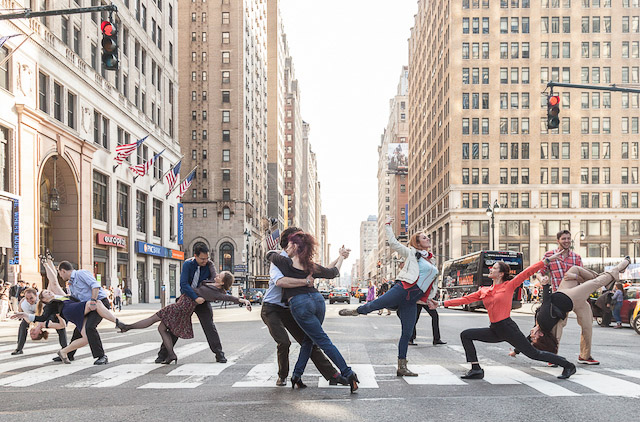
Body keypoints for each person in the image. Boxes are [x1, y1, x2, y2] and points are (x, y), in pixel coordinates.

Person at [441, 251, 577, 380]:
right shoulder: (485, 290)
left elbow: (527, 272)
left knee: (534, 354)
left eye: (494, 268)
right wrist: (442, 303)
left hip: (508, 328)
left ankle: (568, 366)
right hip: (495, 329)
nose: (490, 269)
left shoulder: (509, 286)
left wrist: (547, 261)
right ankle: (476, 369)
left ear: (501, 274)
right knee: (466, 335)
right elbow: (465, 299)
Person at [339, 216, 438, 377]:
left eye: (427, 237)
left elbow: (431, 282)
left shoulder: (431, 259)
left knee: (407, 333)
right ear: (418, 243)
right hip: (402, 289)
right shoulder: (412, 253)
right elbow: (393, 243)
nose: (428, 239)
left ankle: (402, 366)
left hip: (413, 300)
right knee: (375, 304)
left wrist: (428, 299)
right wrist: (387, 225)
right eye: (424, 237)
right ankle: (357, 311)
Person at [266, 232, 359, 393]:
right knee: (309, 340)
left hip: (301, 304)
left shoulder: (284, 262)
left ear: (295, 246)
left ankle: (348, 373)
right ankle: (297, 375)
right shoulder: (310, 266)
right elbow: (332, 272)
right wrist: (341, 257)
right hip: (317, 301)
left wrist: (279, 251)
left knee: (322, 341)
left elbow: (269, 254)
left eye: (291, 244)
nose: (288, 247)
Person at [120, 271, 250, 364]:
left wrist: (243, 301)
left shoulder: (216, 293)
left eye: (219, 276)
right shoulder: (210, 282)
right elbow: (209, 271)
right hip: (182, 304)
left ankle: (127, 327)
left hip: (182, 307)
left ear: (222, 282)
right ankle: (170, 354)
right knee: (162, 328)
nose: (216, 275)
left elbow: (229, 298)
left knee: (154, 319)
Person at [155, 244, 228, 364]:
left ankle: (219, 353)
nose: (205, 261)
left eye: (207, 258)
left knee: (209, 326)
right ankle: (163, 354)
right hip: (187, 299)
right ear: (195, 256)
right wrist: (195, 297)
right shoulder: (188, 264)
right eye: (202, 259)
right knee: (175, 326)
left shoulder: (209, 265)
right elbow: (184, 284)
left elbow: (213, 280)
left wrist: (204, 292)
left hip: (202, 301)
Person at [55, 258, 111, 365]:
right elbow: (76, 298)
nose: (60, 276)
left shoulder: (81, 273)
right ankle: (68, 354)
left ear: (63, 271)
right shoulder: (70, 284)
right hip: (87, 306)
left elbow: (95, 286)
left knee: (90, 327)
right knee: (79, 330)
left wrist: (93, 301)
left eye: (60, 273)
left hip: (98, 303)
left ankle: (101, 356)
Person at [10, 288, 68, 355]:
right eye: (27, 298)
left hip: (48, 314)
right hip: (36, 315)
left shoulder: (44, 297)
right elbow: (28, 319)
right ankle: (19, 348)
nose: (29, 301)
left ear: (36, 296)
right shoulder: (25, 304)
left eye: (31, 298)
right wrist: (36, 325)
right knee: (23, 324)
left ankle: (65, 349)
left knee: (59, 324)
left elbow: (57, 300)